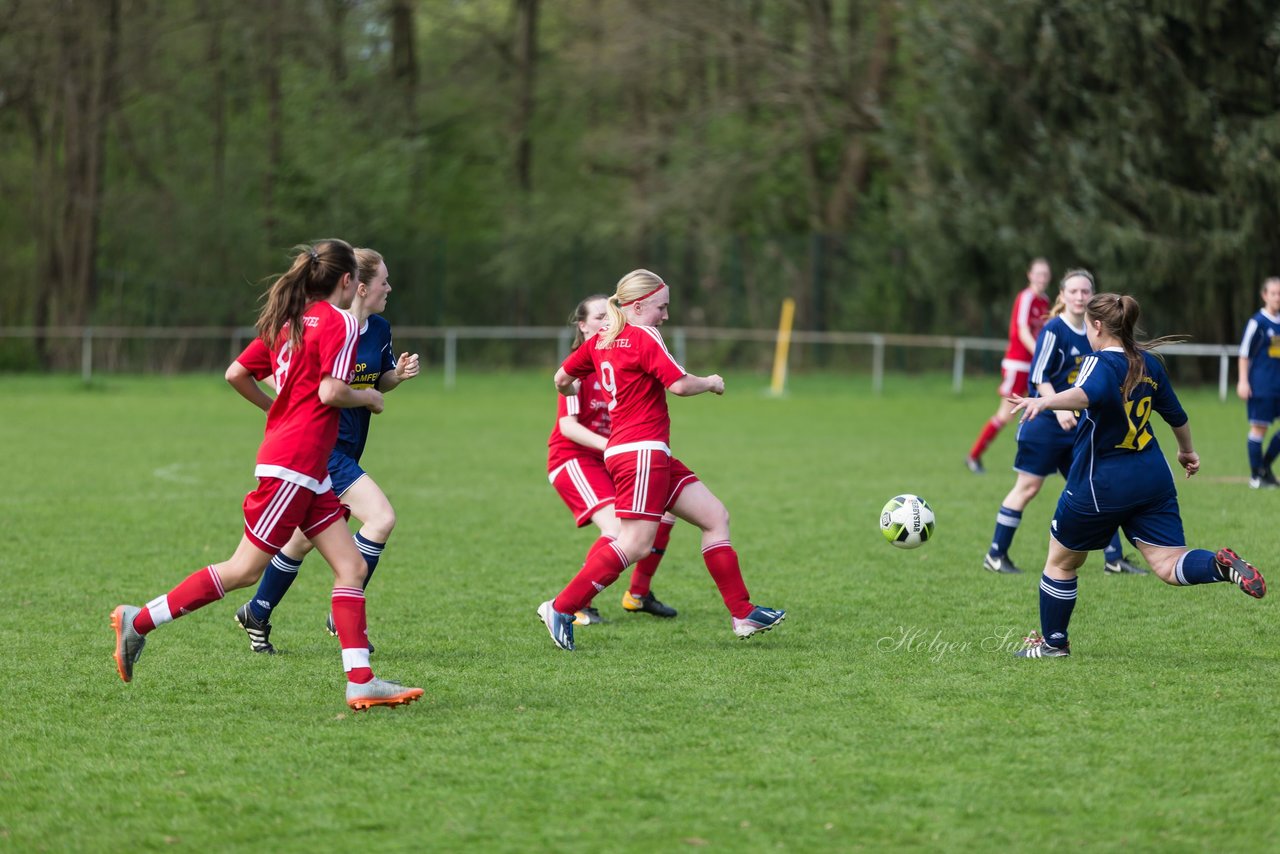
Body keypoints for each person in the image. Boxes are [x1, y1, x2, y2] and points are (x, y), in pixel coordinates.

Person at [110, 240, 424, 710]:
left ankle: (361, 680)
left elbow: (236, 373)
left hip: (309, 467)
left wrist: (275, 409)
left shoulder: (291, 321)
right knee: (242, 569)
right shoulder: (338, 322)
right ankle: (139, 621)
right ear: (346, 280)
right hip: (295, 466)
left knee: (352, 566)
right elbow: (332, 390)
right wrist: (370, 398)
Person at [537, 269, 785, 651]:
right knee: (634, 543)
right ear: (638, 306)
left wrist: (575, 386)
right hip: (641, 452)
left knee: (715, 517)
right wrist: (711, 382)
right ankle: (562, 607)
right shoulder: (643, 335)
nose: (666, 316)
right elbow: (680, 385)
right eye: (661, 307)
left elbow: (559, 378)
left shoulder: (602, 340)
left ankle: (742, 613)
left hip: (646, 452)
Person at [1008, 292, 1266, 659]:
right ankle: (1219, 566)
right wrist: (1186, 451)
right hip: (1152, 477)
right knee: (1167, 563)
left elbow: (1087, 393)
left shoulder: (1098, 362)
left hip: (1102, 482)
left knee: (1061, 560)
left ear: (1098, 326)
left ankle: (1053, 643)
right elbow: (1177, 416)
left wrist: (1043, 400)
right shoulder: (1149, 363)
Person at [225, 247, 420, 654]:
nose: (390, 287)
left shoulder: (378, 329)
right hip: (323, 448)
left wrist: (395, 377)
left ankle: (257, 611)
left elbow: (375, 380)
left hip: (348, 448)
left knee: (300, 540)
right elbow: (323, 389)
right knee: (381, 518)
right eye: (384, 280)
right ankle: (346, 608)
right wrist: (281, 405)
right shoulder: (324, 327)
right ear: (359, 286)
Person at [982, 270, 1146, 576]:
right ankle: (995, 554)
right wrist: (1057, 409)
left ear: (1093, 297)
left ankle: (1114, 559)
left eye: (1085, 292)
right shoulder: (1054, 330)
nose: (1080, 297)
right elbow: (1037, 377)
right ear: (1062, 295)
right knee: (1028, 488)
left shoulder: (1096, 332)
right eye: (1073, 291)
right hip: (1043, 424)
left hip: (1078, 429)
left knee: (1097, 486)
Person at [547, 294, 679, 626]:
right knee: (619, 529)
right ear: (582, 325)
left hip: (614, 458)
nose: (608, 321)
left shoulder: (623, 352)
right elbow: (568, 427)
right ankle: (574, 605)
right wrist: (614, 444)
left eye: (611, 314)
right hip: (575, 459)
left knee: (664, 513)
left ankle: (638, 595)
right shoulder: (580, 363)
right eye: (599, 317)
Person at [967, 257, 1052, 474]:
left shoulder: (1045, 301)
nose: (1042, 278)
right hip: (1018, 365)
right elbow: (1023, 331)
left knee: (1043, 410)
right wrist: (1040, 353)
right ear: (1029, 275)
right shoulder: (1026, 298)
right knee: (1006, 415)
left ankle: (1047, 460)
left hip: (1034, 366)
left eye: (1045, 274)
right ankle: (973, 456)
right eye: (1038, 273)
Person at [1236, 276, 1280, 489]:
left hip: (1278, 386)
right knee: (1259, 430)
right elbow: (1244, 353)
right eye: (1274, 293)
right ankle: (1256, 476)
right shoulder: (1258, 322)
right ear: (1265, 295)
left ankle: (1264, 468)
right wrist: (1243, 381)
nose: (1277, 297)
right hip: (1261, 385)